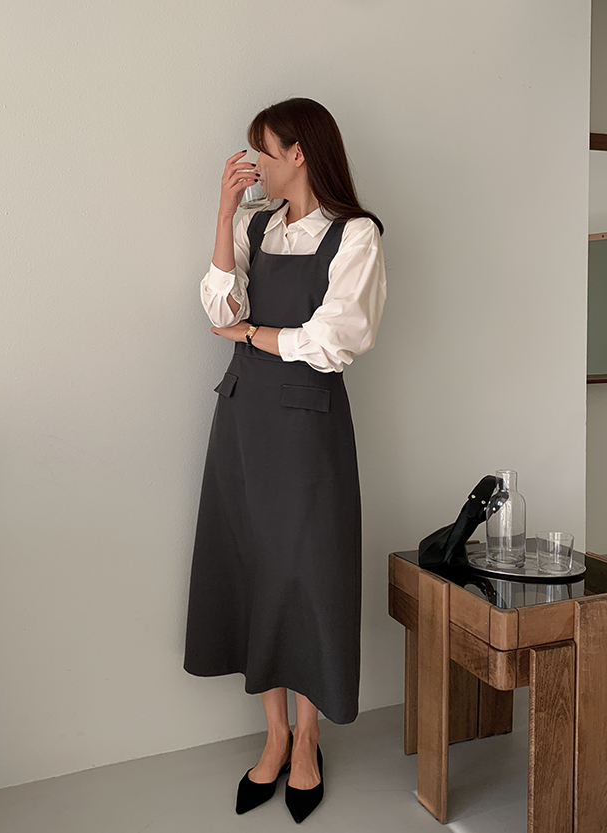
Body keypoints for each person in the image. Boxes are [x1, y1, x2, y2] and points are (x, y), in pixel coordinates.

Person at [183, 97, 386, 822]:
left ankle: (308, 738)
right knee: (252, 566)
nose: (254, 165)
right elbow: (218, 308)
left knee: (308, 574)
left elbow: (335, 340)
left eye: (263, 151)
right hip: (242, 419)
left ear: (299, 152)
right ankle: (273, 734)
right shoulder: (254, 223)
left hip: (307, 428)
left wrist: (255, 335)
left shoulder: (355, 234)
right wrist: (222, 212)